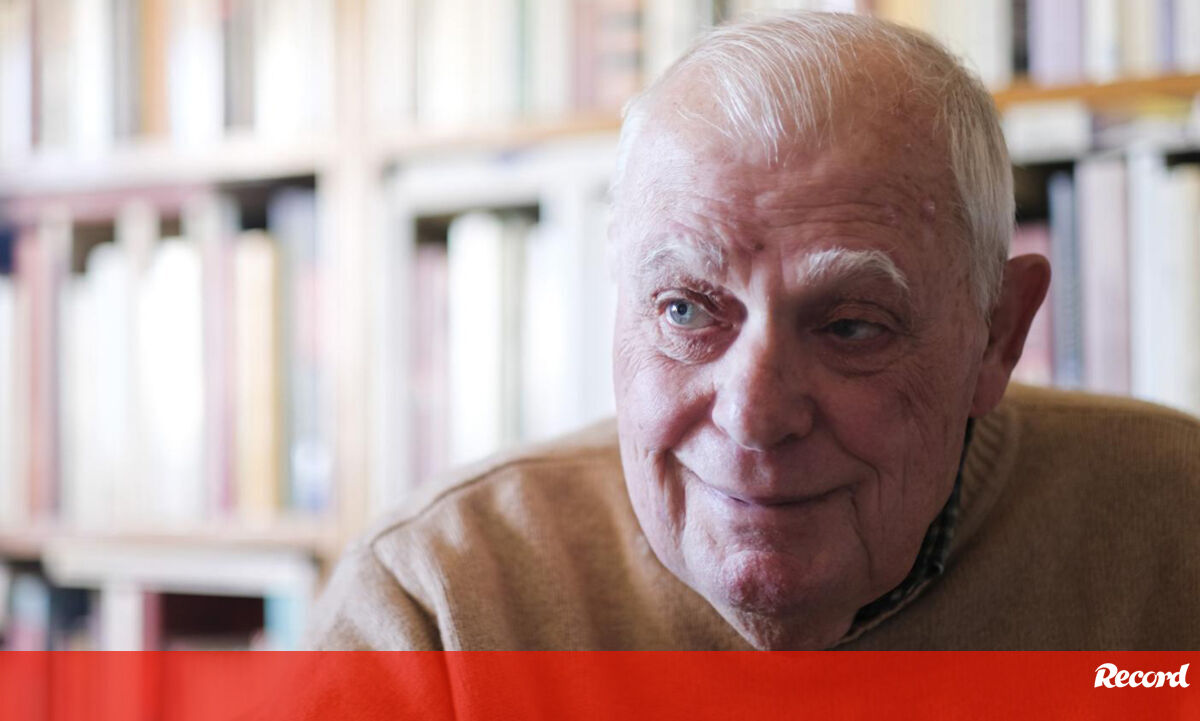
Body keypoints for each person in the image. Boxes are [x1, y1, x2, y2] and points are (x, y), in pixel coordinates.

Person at [309, 12, 1200, 650]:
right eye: (686, 310)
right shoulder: (435, 610)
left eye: (850, 326)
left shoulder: (1176, 528)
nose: (755, 415)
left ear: (997, 335)